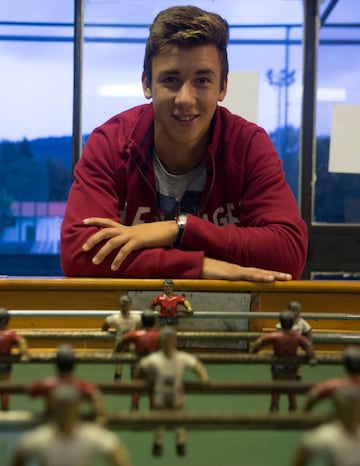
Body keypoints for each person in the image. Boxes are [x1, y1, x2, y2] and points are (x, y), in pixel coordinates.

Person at [60, 5, 307, 282]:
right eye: (171, 80)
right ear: (147, 84)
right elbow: (79, 254)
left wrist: (179, 229)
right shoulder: (111, 143)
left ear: (222, 87)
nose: (185, 99)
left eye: (202, 80)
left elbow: (288, 253)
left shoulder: (248, 144)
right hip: (129, 320)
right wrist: (199, 267)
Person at [10, 384, 132, 466]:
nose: (65, 412)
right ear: (54, 407)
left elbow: (117, 454)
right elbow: (20, 454)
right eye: (62, 406)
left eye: (69, 406)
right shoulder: (40, 439)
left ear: (76, 407)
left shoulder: (91, 436)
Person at [133, 326, 208, 457]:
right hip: (161, 396)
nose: (167, 343)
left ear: (174, 341)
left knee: (179, 421)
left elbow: (197, 366)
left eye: (170, 340)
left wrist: (203, 379)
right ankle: (158, 444)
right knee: (159, 423)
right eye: (165, 340)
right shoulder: (154, 359)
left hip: (176, 396)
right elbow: (140, 369)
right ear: (160, 342)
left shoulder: (182, 358)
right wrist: (141, 380)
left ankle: (180, 443)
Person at [251, 310, 317, 412]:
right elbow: (308, 345)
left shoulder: (275, 336)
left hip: (278, 367)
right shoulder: (297, 336)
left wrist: (254, 352)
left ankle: (274, 407)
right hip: (292, 367)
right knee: (291, 389)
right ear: (293, 322)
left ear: (280, 322)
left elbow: (259, 342)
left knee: (276, 388)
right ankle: (293, 408)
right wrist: (312, 357)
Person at [26, 344, 106, 424]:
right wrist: (100, 417)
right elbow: (96, 396)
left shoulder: (47, 383)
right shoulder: (81, 385)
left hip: (52, 424)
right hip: (72, 425)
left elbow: (31, 391)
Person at [292, 385, 360, 466]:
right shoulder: (326, 436)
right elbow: (303, 454)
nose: (351, 414)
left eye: (354, 409)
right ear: (338, 410)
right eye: (347, 410)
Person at [116, 310, 160, 410]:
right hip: (153, 364)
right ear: (153, 322)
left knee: (136, 387)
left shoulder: (135, 334)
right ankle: (153, 411)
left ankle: (134, 408)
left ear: (142, 321)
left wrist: (116, 351)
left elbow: (122, 341)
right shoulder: (159, 335)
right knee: (152, 388)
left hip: (139, 364)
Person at [303, 346, 360, 412]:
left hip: (341, 421)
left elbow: (313, 396)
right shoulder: (338, 385)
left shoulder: (337, 385)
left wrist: (306, 411)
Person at [102, 295, 140, 380]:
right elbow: (104, 326)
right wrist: (106, 336)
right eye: (123, 304)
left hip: (132, 345)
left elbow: (142, 328)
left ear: (130, 304)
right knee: (118, 368)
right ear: (120, 305)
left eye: (127, 304)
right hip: (120, 344)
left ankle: (134, 384)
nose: (125, 306)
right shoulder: (114, 318)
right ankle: (118, 381)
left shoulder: (137, 318)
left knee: (134, 368)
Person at [0, 307, 29, 411]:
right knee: (5, 388)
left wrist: (24, 354)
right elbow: (22, 341)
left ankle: (5, 408)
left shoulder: (10, 334)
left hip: (5, 364)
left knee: (5, 387)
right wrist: (24, 354)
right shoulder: (10, 334)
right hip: (5, 365)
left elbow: (21, 341)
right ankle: (5, 408)